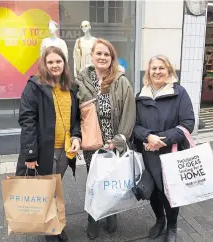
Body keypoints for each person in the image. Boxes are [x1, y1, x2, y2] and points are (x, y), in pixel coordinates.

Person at [15, 46, 81, 242]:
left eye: (58, 61)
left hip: (65, 149)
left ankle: (57, 225)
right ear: (44, 64)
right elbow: (27, 120)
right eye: (50, 62)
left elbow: (75, 118)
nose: (54, 65)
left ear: (64, 63)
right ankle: (51, 231)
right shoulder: (34, 86)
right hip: (45, 150)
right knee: (45, 191)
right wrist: (30, 154)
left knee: (55, 188)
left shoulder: (70, 86)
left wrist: (76, 136)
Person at [74, 38, 136, 240]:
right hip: (93, 144)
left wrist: (119, 139)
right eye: (98, 53)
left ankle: (111, 213)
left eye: (106, 54)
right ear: (91, 55)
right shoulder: (81, 81)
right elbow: (75, 111)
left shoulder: (121, 81)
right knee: (94, 182)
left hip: (114, 143)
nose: (102, 57)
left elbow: (129, 112)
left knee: (112, 180)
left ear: (112, 58)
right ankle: (93, 218)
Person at [134, 55, 195, 242]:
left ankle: (172, 226)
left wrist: (163, 139)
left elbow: (188, 123)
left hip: (172, 152)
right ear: (148, 72)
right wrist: (147, 136)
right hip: (149, 154)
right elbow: (134, 125)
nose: (157, 71)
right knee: (153, 192)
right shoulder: (140, 96)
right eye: (154, 68)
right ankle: (159, 220)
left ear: (168, 70)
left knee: (171, 192)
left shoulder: (179, 93)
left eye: (161, 68)